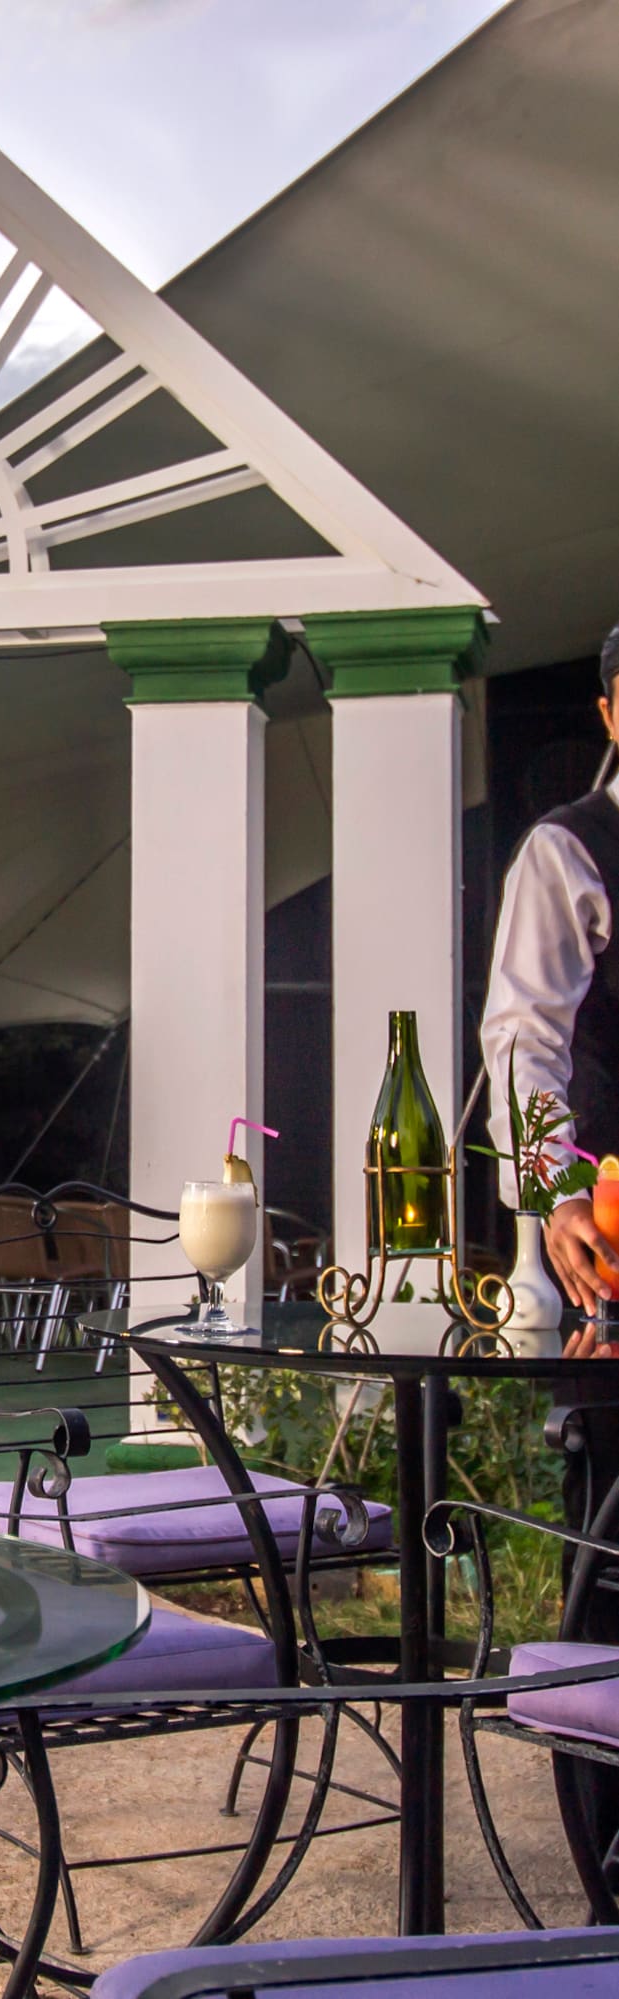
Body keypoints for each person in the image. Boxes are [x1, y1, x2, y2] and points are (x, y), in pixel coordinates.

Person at [481, 623, 619, 1898]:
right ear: (614, 710)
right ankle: (608, 1867)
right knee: (616, 1572)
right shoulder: (572, 848)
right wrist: (563, 1192)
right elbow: (523, 1042)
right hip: (616, 1263)